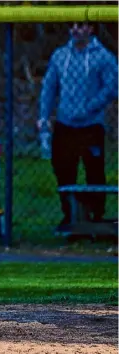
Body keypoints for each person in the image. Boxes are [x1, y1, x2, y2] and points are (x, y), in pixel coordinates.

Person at [39, 21, 118, 233]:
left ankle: (96, 215)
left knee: (94, 171)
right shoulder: (60, 56)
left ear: (91, 29)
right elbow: (49, 87)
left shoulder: (103, 57)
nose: (75, 29)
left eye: (81, 25)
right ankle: (70, 215)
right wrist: (44, 116)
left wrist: (89, 107)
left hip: (91, 125)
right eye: (72, 25)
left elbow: (112, 87)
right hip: (65, 125)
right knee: (63, 170)